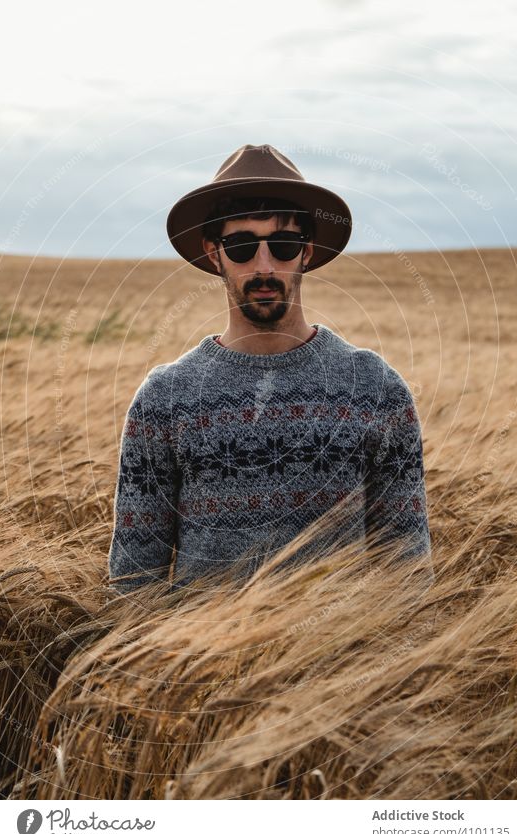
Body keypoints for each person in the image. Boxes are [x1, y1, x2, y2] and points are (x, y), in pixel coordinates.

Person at [108, 143, 433, 594]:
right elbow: (133, 584)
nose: (264, 266)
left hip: (343, 663)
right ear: (213, 253)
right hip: (202, 664)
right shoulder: (164, 398)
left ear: (306, 251)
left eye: (283, 245)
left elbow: (408, 579)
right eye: (241, 246)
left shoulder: (376, 389)